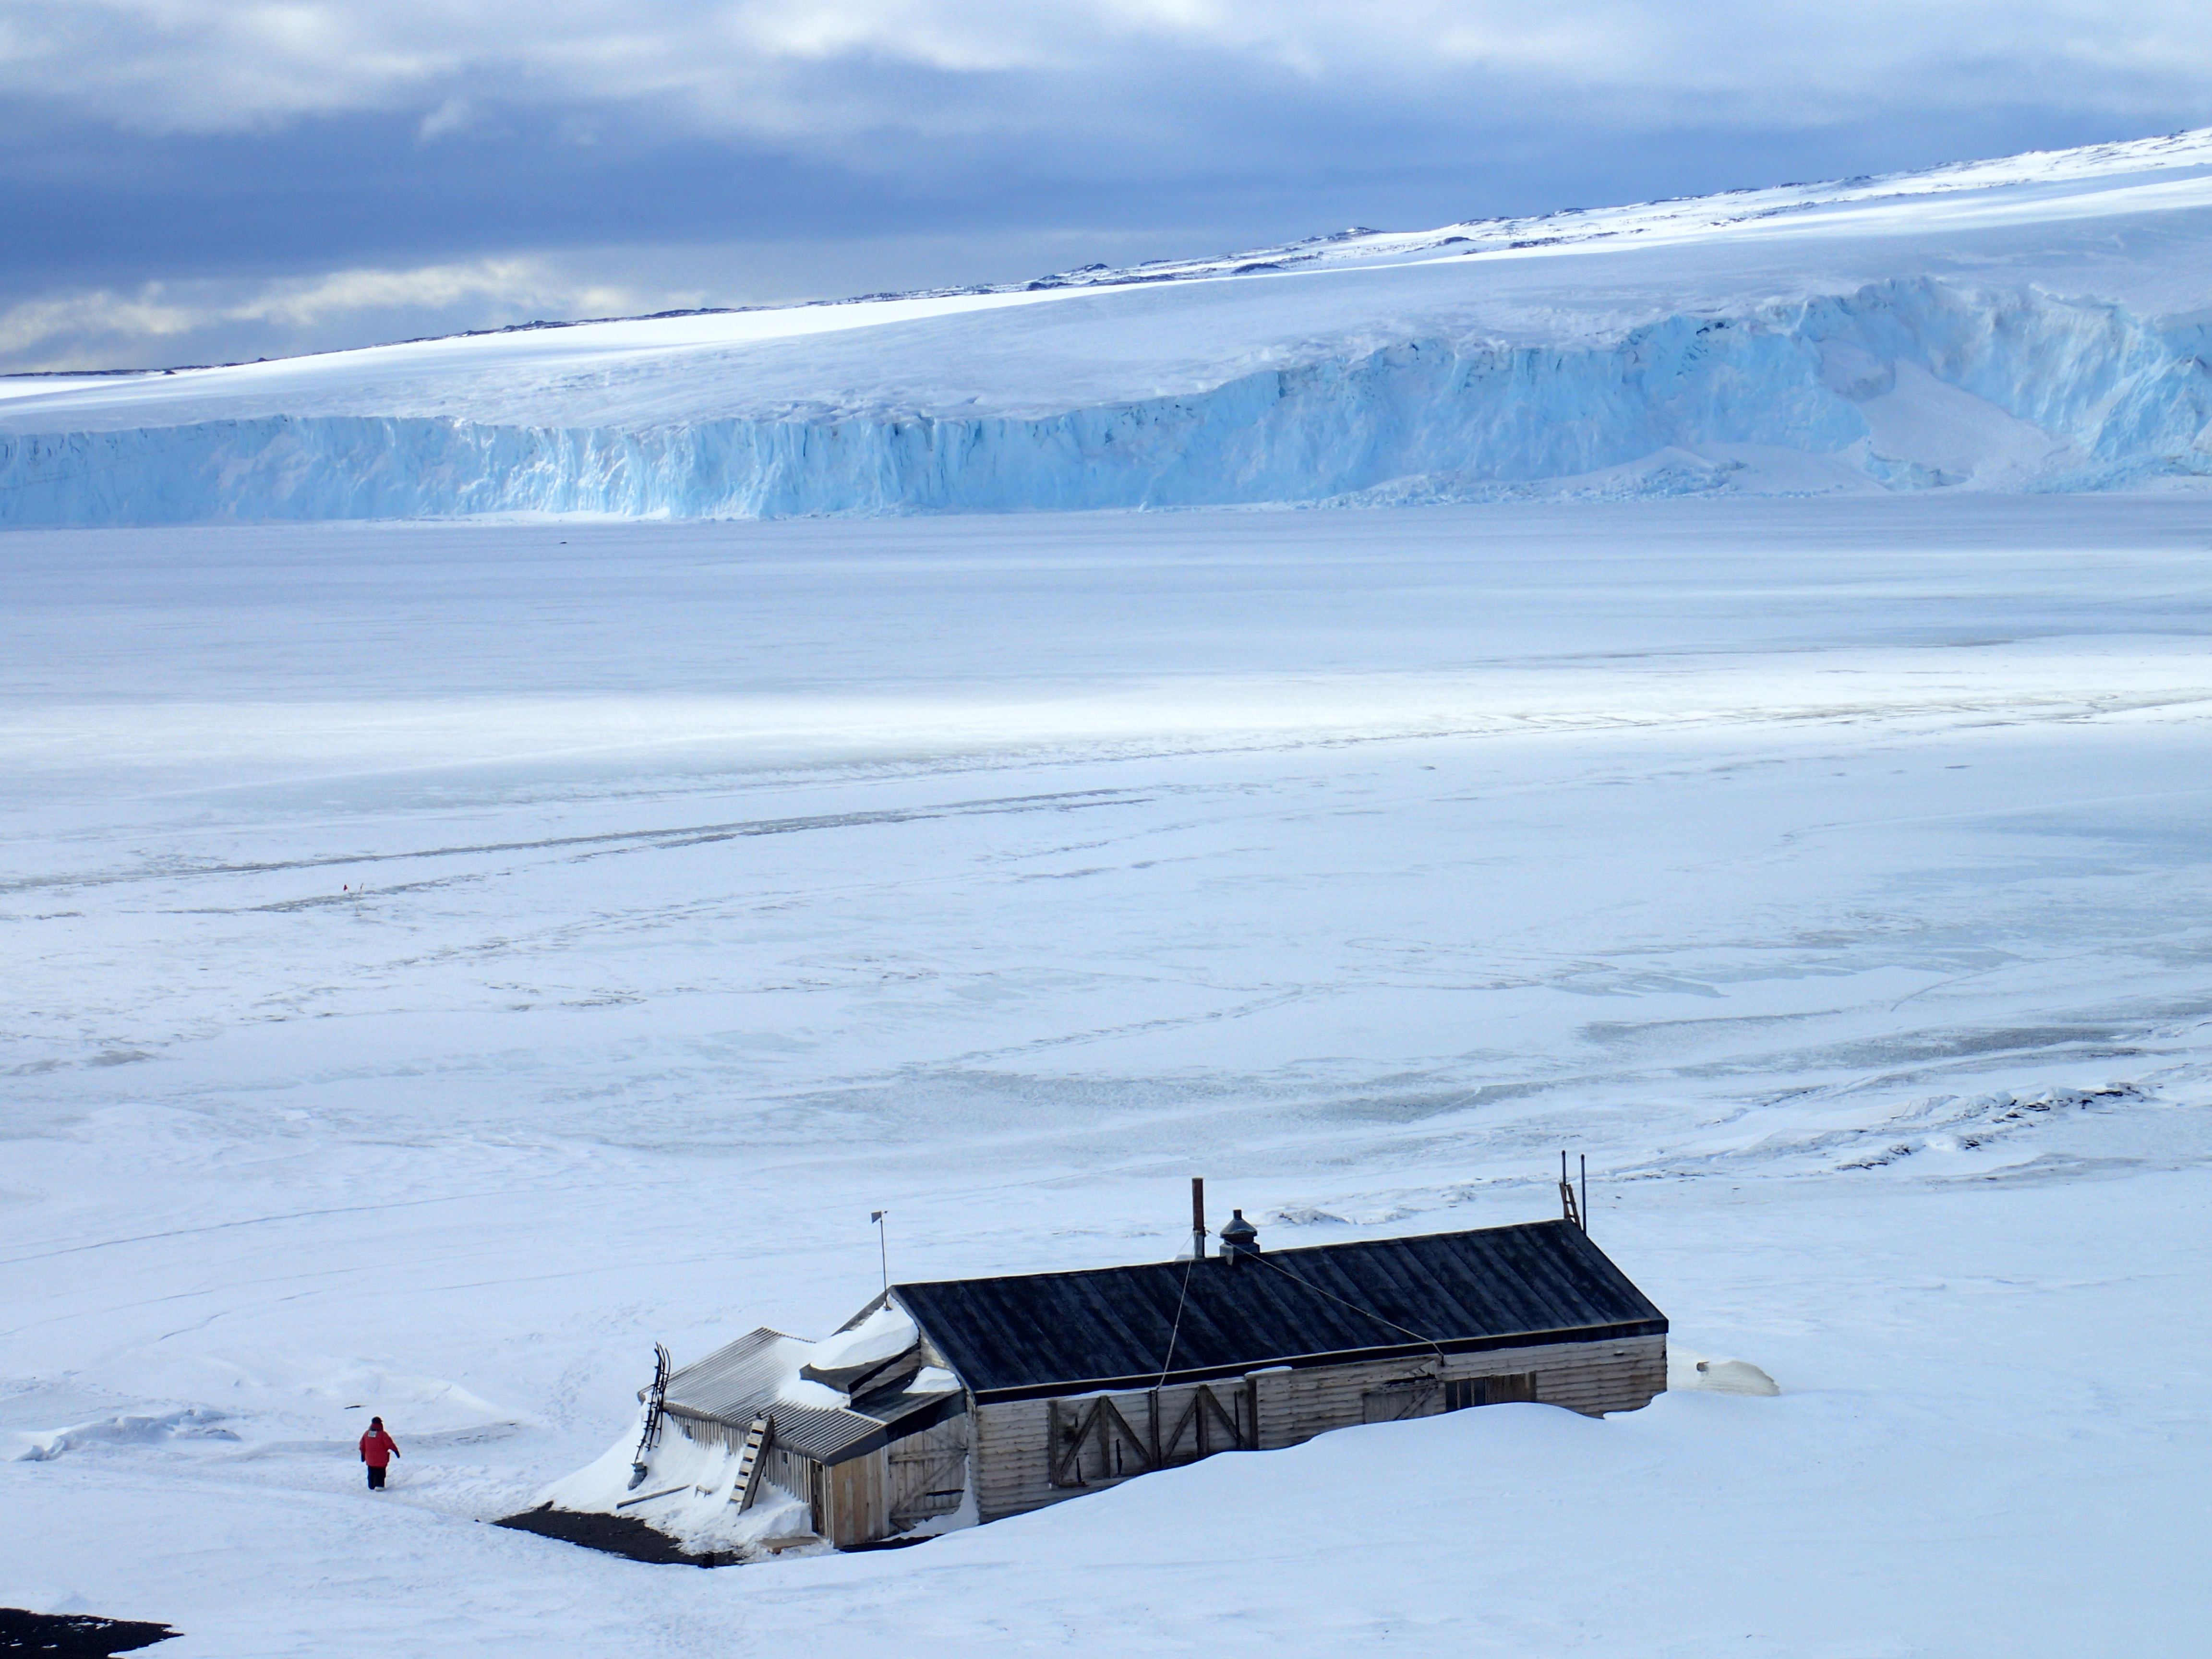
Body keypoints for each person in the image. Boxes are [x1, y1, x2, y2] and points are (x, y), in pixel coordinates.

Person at [359, 1417, 400, 1490]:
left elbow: (362, 1445)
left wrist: (363, 1455)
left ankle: (371, 1485)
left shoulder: (367, 1434)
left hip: (370, 1459)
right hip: (381, 1460)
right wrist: (396, 1451)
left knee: (371, 1472)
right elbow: (390, 1444)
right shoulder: (383, 1435)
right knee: (380, 1473)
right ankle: (379, 1486)